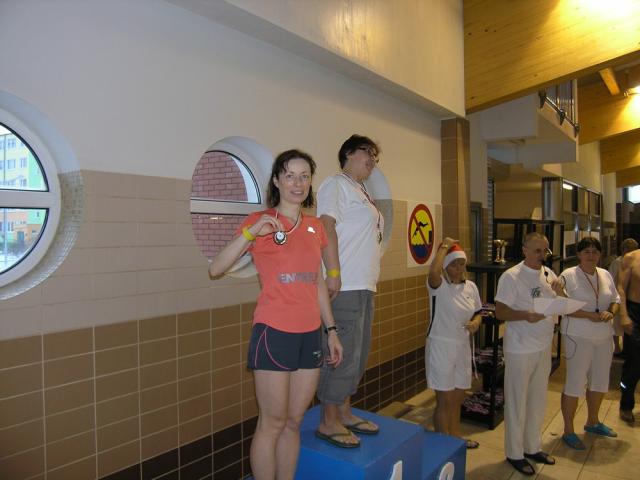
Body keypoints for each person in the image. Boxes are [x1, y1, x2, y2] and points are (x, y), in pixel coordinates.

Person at [208, 149, 343, 480]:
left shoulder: (314, 228)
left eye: (304, 176)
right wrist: (252, 233)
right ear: (277, 181)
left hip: (309, 333)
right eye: (290, 176)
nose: (297, 183)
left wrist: (331, 330)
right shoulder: (260, 221)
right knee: (272, 422)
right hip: (273, 332)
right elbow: (216, 268)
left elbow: (315, 282)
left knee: (294, 421)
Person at [315, 134, 384, 448]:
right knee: (341, 355)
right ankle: (328, 420)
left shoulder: (362, 191)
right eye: (368, 153)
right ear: (348, 153)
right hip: (346, 286)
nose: (372, 160)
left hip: (364, 286)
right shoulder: (336, 184)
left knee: (358, 353)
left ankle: (343, 411)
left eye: (375, 157)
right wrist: (333, 273)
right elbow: (325, 226)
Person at [495, 232, 564, 476]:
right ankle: (514, 453)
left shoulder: (549, 274)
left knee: (537, 399)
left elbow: (560, 303)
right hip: (520, 347)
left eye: (545, 250)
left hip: (543, 346)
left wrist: (561, 292)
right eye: (537, 251)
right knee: (517, 401)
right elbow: (500, 312)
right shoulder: (511, 276)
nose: (542, 255)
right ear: (524, 250)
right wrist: (525, 315)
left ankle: (532, 447)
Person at [559, 237, 620, 450]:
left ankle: (593, 421)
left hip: (604, 336)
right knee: (575, 383)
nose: (591, 255)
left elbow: (616, 299)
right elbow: (561, 305)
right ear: (578, 254)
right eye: (586, 251)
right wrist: (588, 315)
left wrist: (610, 312)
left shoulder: (605, 274)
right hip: (578, 337)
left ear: (600, 254)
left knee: (600, 381)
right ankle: (568, 430)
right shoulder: (568, 275)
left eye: (595, 251)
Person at [426, 238, 482, 449]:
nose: (458, 268)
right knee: (445, 399)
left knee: (458, 397)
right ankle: (443, 443)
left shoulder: (471, 287)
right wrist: (444, 247)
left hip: (462, 346)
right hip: (441, 346)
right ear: (445, 266)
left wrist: (476, 322)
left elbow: (478, 312)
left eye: (461, 264)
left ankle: (456, 438)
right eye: (453, 264)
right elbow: (433, 272)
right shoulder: (438, 286)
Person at [616, 247, 640, 425]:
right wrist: (623, 315)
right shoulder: (632, 258)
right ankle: (626, 405)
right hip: (635, 312)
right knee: (635, 362)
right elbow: (621, 288)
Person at [608, 238, 638, 356]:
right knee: (617, 324)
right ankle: (617, 348)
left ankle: (627, 349)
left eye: (632, 249)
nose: (630, 251)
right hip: (619, 297)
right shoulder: (617, 262)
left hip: (632, 298)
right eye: (628, 249)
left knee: (629, 325)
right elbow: (611, 279)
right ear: (623, 249)